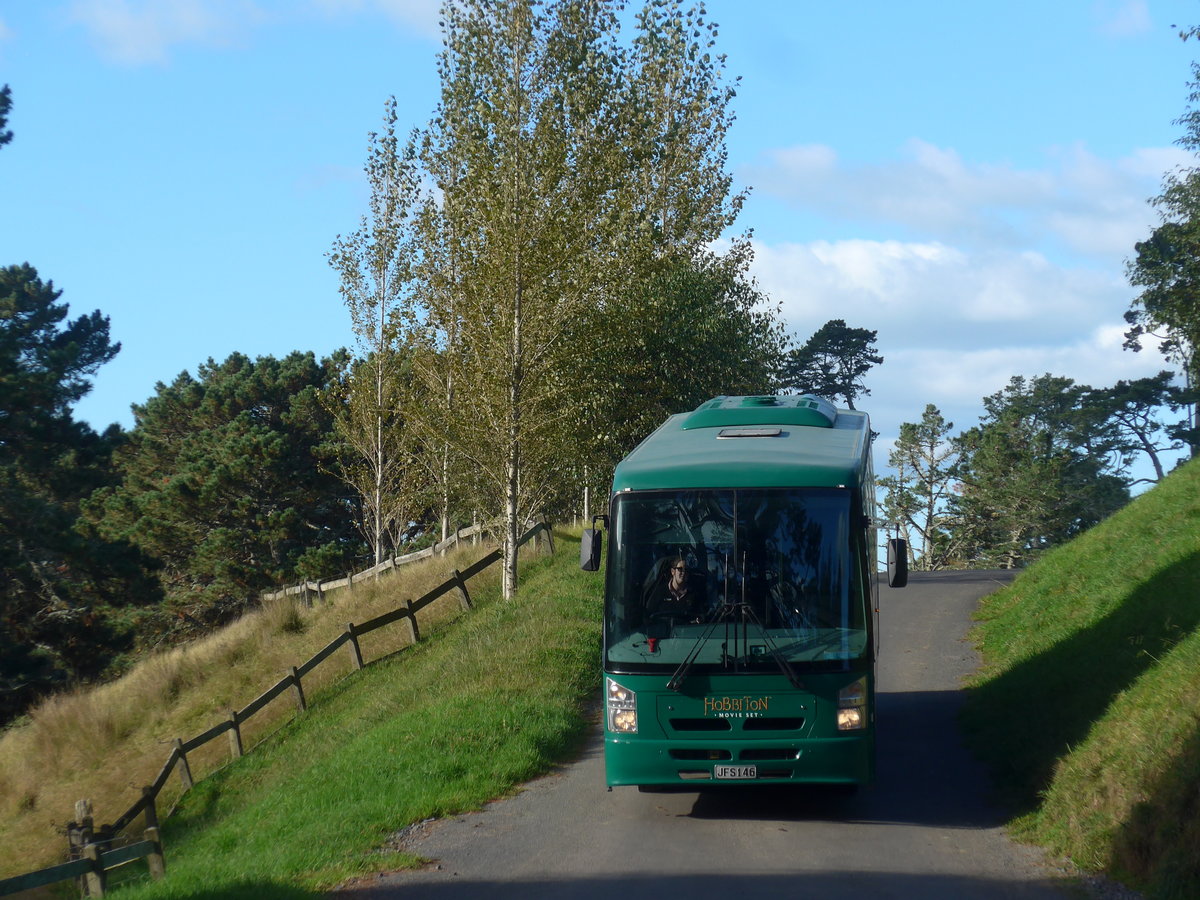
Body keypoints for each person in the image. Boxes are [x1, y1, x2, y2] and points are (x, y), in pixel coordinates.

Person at [644, 555, 707, 623]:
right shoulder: (659, 592)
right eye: (680, 569)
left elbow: (702, 616)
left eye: (686, 570)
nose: (683, 572)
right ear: (673, 571)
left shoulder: (695, 595)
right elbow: (648, 617)